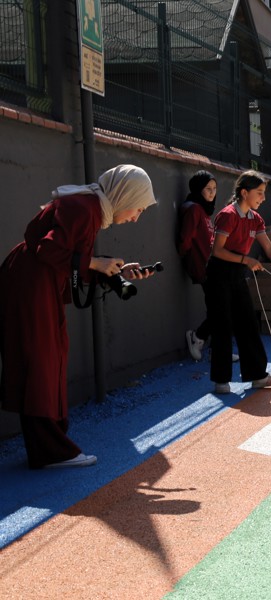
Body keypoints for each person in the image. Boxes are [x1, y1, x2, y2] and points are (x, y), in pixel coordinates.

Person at [1, 165, 157, 468]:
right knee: (42, 363)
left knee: (49, 358)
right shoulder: (86, 208)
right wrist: (96, 263)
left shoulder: (90, 206)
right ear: (124, 195)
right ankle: (50, 451)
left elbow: (70, 259)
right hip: (31, 285)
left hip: (36, 283)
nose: (136, 217)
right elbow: (48, 248)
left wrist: (114, 272)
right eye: (138, 208)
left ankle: (52, 443)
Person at [208, 171, 271, 395]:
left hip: (239, 272)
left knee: (248, 322)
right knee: (222, 325)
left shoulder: (256, 219)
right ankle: (221, 380)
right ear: (244, 192)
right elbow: (217, 250)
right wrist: (246, 260)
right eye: (259, 193)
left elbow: (269, 248)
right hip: (219, 272)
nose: (263, 198)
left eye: (264, 193)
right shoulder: (228, 215)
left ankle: (258, 375)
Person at [179, 170, 236, 363]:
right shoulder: (194, 209)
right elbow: (185, 241)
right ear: (198, 189)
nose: (212, 193)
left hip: (213, 266)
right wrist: (193, 262)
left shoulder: (202, 210)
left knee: (220, 308)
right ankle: (198, 337)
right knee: (221, 309)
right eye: (207, 189)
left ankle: (215, 348)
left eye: (214, 189)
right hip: (204, 267)